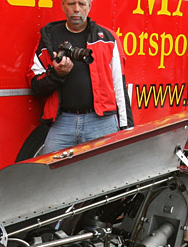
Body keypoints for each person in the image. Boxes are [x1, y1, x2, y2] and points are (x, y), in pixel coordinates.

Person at [29, 0, 130, 155]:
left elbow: (119, 86)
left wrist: (127, 128)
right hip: (63, 121)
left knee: (104, 173)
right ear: (63, 5)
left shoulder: (107, 38)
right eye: (71, 3)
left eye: (82, 4)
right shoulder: (50, 38)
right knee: (48, 171)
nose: (76, 9)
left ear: (89, 6)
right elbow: (35, 83)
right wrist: (57, 75)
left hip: (101, 121)